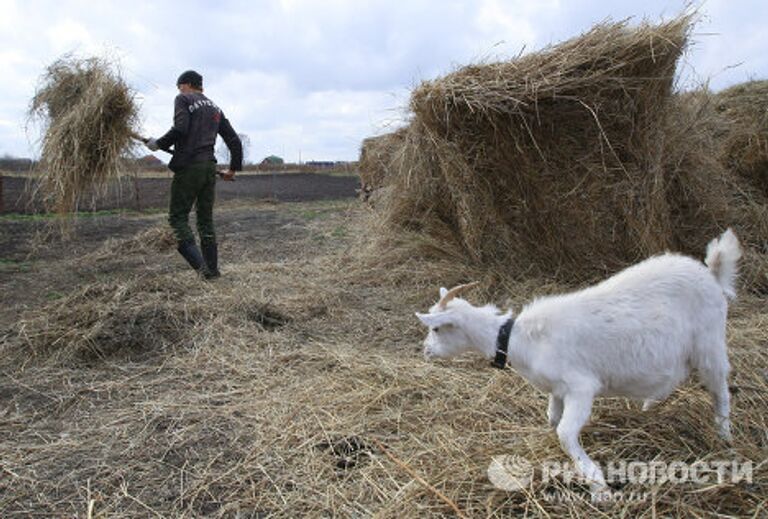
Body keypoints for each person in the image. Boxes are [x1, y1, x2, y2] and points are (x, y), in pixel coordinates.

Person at [145, 70, 242, 279]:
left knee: (178, 218)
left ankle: (203, 271)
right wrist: (232, 169)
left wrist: (158, 144)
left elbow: (180, 128)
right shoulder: (215, 107)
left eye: (180, 87)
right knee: (205, 219)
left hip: (189, 167)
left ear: (186, 85)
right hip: (208, 167)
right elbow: (234, 141)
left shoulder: (183, 98)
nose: (179, 90)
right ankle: (213, 271)